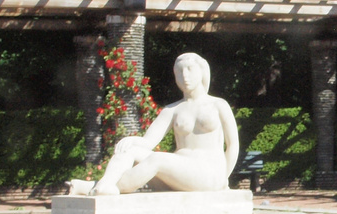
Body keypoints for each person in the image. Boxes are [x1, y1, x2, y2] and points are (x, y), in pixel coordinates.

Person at [89, 52, 240, 194]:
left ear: (202, 72)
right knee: (130, 150)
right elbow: (148, 142)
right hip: (182, 170)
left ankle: (102, 188)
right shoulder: (172, 109)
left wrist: (224, 178)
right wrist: (132, 141)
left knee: (157, 159)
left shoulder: (218, 104)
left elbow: (233, 144)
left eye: (190, 69)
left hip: (209, 172)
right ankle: (105, 185)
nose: (185, 75)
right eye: (180, 72)